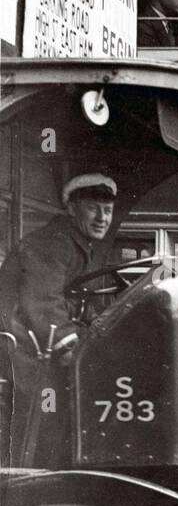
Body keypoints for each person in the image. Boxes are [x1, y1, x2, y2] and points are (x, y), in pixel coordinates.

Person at [0, 173, 116, 461]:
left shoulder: (76, 244)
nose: (102, 217)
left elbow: (76, 301)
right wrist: (71, 345)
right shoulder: (54, 243)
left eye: (108, 210)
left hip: (34, 349)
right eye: (93, 208)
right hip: (21, 356)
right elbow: (43, 302)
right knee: (49, 425)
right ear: (72, 209)